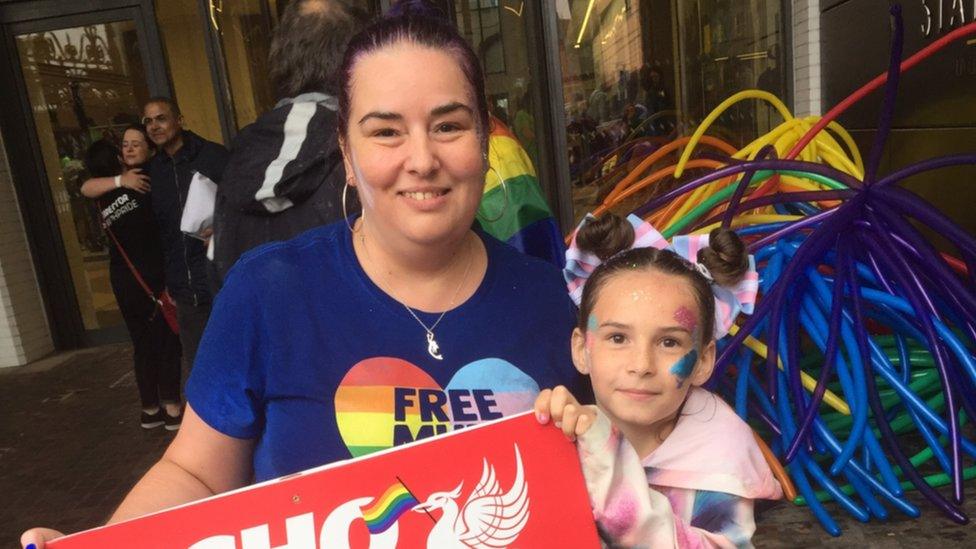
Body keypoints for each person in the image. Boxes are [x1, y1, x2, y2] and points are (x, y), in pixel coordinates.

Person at [21, 2, 590, 545]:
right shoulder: (268, 291)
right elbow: (195, 474)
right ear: (345, 150)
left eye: (448, 126)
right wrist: (106, 545)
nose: (421, 158)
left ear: (485, 144)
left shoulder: (547, 297)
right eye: (386, 131)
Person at [535, 213, 782, 547]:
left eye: (669, 342)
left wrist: (606, 459)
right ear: (582, 349)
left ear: (703, 361)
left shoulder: (721, 458)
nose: (641, 365)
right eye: (618, 338)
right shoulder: (562, 434)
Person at [211, 0, 369, 283]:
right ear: (357, 58)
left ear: (282, 53)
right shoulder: (362, 155)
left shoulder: (239, 157)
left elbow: (219, 272)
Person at [80, 127, 183, 430]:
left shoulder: (104, 194)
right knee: (164, 341)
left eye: (134, 144)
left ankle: (149, 409)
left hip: (125, 280)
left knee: (143, 343)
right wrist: (123, 178)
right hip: (148, 279)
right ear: (116, 160)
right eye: (123, 146)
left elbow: (85, 186)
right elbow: (85, 186)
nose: (127, 149)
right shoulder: (134, 184)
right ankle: (171, 407)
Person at [141, 97, 229, 375]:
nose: (155, 126)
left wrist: (222, 225)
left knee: (235, 359)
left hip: (221, 277)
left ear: (179, 120)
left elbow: (243, 204)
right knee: (198, 368)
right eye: (148, 121)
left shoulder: (213, 156)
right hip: (184, 287)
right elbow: (160, 233)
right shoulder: (153, 171)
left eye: (161, 118)